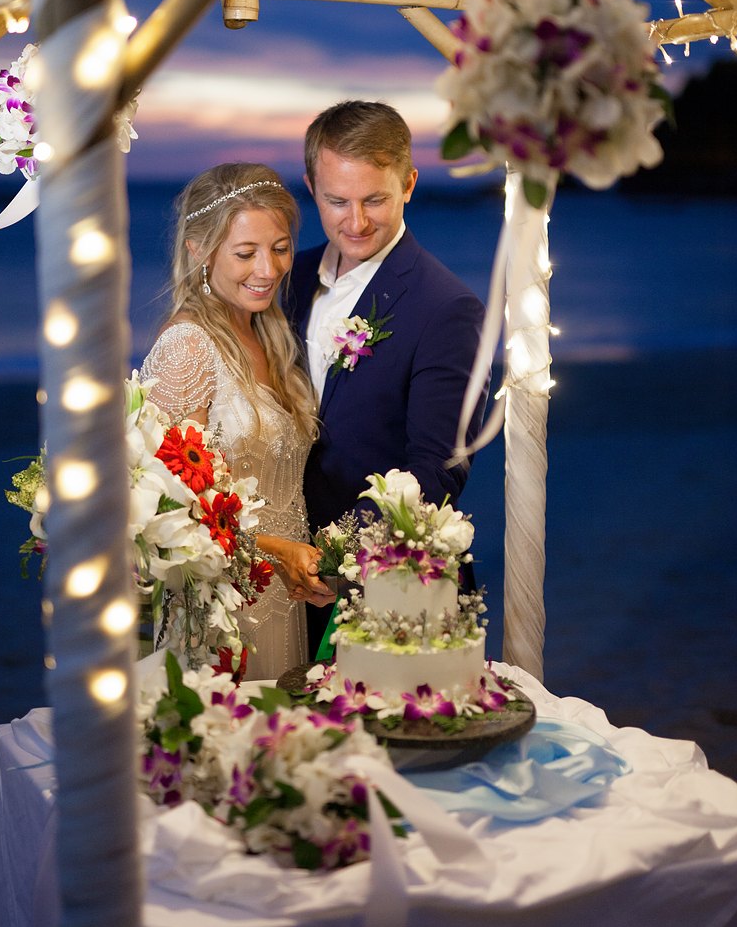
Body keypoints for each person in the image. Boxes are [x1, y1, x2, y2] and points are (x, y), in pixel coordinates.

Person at [286, 100, 488, 655]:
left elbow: (439, 468)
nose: (356, 221)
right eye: (336, 201)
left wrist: (334, 554)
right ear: (310, 185)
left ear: (409, 184)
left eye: (375, 198)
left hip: (389, 588)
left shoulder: (448, 309)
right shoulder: (287, 279)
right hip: (279, 578)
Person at [142, 162, 331, 680]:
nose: (268, 270)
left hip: (283, 594)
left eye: (280, 247)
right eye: (245, 253)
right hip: (218, 605)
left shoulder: (269, 330)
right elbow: (172, 516)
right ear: (198, 250)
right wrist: (280, 553)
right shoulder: (186, 349)